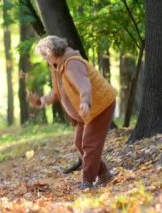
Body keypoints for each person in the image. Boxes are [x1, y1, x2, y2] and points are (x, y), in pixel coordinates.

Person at [30, 36, 116, 190]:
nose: (44, 58)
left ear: (51, 51)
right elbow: (57, 93)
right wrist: (40, 101)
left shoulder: (72, 63)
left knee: (89, 143)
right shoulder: (57, 66)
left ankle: (87, 182)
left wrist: (85, 101)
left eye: (44, 55)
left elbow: (84, 85)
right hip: (85, 111)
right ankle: (104, 175)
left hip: (99, 105)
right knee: (79, 142)